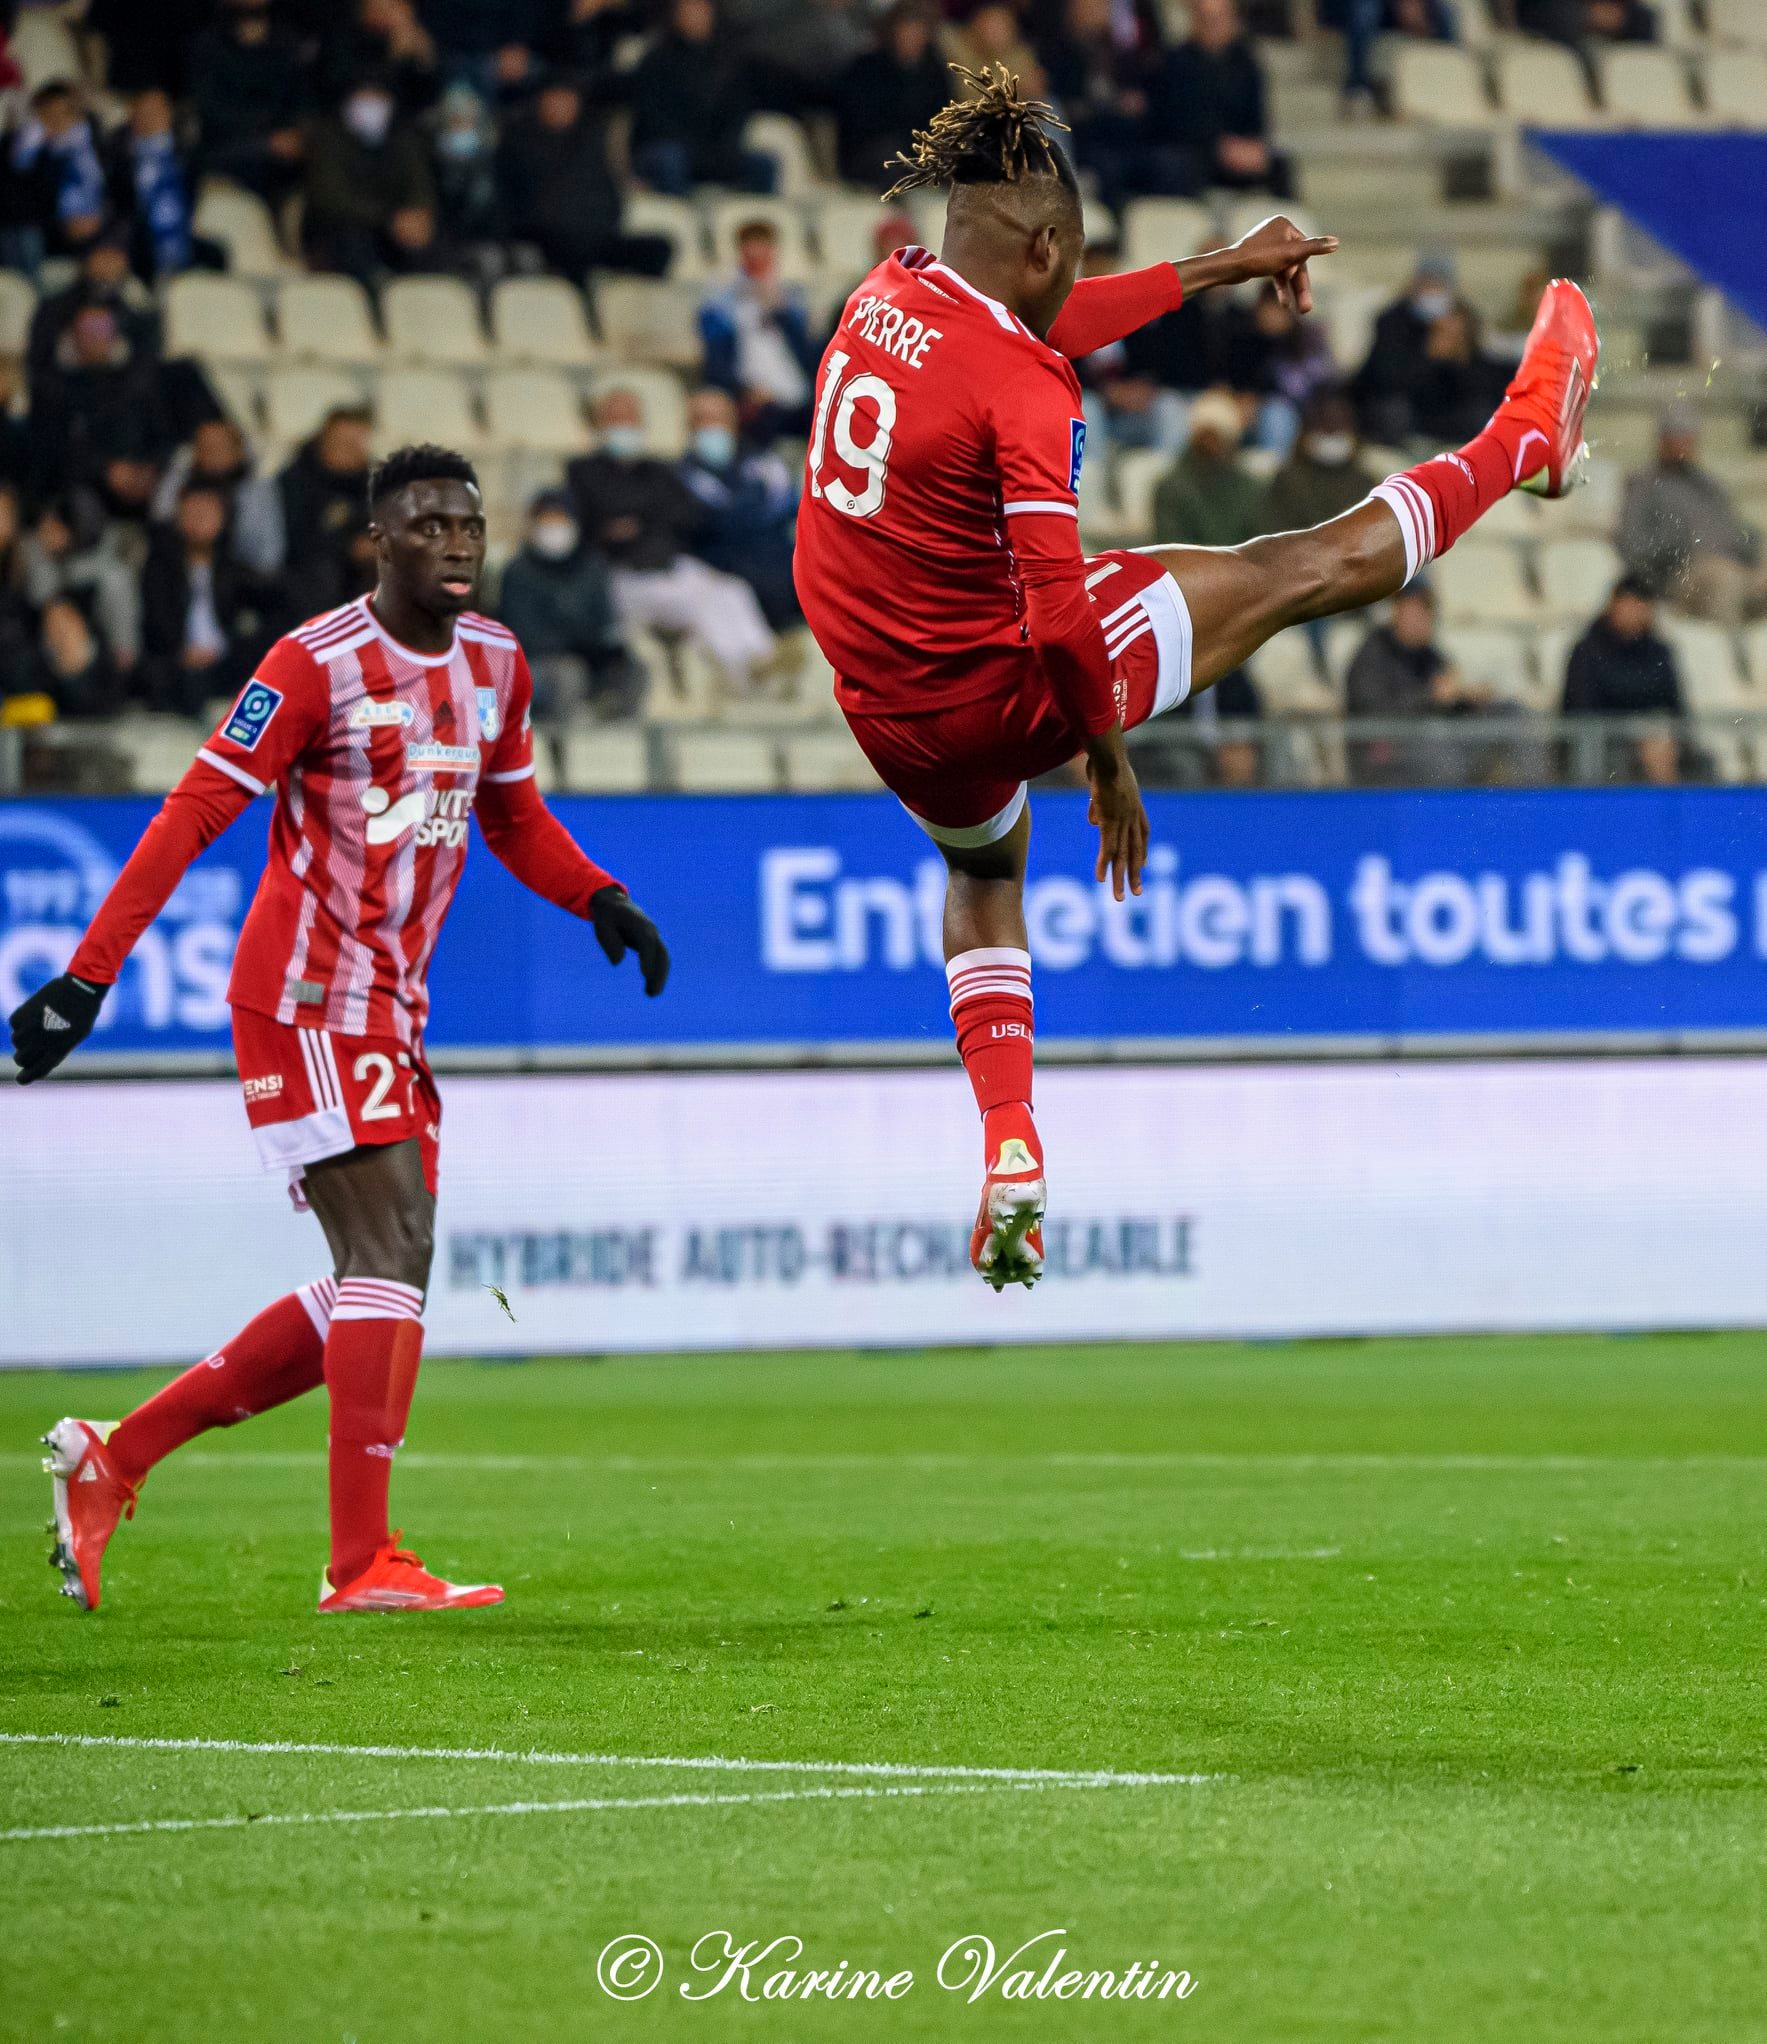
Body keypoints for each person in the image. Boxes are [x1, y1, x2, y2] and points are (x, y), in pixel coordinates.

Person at [792, 70, 1597, 1289]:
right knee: (1295, 567)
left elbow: (1040, 318)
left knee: (983, 868)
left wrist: (1220, 265)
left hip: (888, 710)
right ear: (1051, 241)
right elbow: (1060, 615)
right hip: (1007, 680)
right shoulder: (1023, 386)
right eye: (1074, 256)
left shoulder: (885, 294)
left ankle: (1010, 1134)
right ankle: (1524, 440)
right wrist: (1107, 758)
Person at [12, 443, 673, 1617]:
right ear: (380, 542)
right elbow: (194, 811)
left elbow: (513, 814)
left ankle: (114, 1456)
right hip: (307, 998)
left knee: (374, 1273)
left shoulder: (497, 663)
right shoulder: (313, 664)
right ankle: (361, 1562)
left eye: (469, 523)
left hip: (393, 1005)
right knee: (396, 1249)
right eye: (427, 525)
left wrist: (599, 895)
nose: (456, 542)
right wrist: (86, 977)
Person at [567, 387, 778, 688]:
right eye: (616, 418)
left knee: (732, 590)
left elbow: (683, 516)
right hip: (622, 576)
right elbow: (595, 527)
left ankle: (764, 658)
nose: (624, 425)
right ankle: (742, 677)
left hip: (669, 564)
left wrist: (635, 522)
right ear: (599, 424)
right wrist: (642, 520)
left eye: (630, 417)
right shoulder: (583, 473)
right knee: (699, 604)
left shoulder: (658, 471)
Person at [496, 74, 670, 282]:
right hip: (545, 237)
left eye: (569, 99)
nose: (563, 106)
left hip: (593, 235)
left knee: (658, 248)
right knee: (570, 249)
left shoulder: (590, 142)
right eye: (556, 99)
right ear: (541, 100)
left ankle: (631, 307)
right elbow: (515, 204)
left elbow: (607, 196)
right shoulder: (518, 142)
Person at [496, 487, 641, 718]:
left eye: (561, 521)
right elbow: (523, 635)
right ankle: (565, 745)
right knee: (568, 675)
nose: (555, 530)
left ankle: (618, 735)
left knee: (633, 670)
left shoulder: (593, 567)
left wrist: (602, 650)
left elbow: (605, 622)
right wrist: (572, 646)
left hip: (587, 658)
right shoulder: (518, 572)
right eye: (547, 522)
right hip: (539, 664)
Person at [1617, 403, 1767, 625]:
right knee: (1724, 580)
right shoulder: (1644, 486)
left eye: (1687, 437)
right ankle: (1730, 653)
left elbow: (1733, 528)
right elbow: (1633, 547)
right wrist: (1674, 548)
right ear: (1662, 441)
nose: (1682, 445)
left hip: (1732, 565)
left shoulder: (1708, 485)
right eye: (1675, 437)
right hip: (1682, 577)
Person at [138, 482, 276, 716]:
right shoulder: (159, 569)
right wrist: (181, 653)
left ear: (222, 519)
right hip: (179, 664)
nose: (199, 520)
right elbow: (155, 622)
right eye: (192, 512)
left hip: (227, 662)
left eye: (207, 513)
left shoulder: (234, 569)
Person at [678, 385, 800, 627]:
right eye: (702, 420)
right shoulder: (680, 477)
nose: (711, 427)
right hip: (728, 573)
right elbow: (717, 524)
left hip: (782, 562)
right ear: (690, 428)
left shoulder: (765, 464)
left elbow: (790, 505)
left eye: (718, 418)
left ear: (733, 422)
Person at [300, 78, 440, 281]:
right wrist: (388, 218)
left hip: (394, 234)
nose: (372, 105)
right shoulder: (327, 140)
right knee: (351, 242)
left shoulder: (403, 140)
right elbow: (331, 200)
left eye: (377, 98)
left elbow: (420, 187)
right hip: (344, 231)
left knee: (430, 248)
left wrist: (418, 215)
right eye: (364, 97)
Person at [1144, 0, 1287, 198]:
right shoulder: (1175, 63)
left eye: (1219, 19)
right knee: (1179, 165)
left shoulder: (1246, 63)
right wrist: (1218, 146)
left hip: (1236, 149)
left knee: (1278, 164)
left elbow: (1256, 117)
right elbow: (1173, 121)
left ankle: (1283, 227)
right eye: (1206, 19)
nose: (1213, 26)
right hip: (1197, 150)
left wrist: (1252, 145)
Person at [697, 218, 821, 442]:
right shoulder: (721, 301)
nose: (757, 259)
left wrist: (781, 311)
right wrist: (745, 391)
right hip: (756, 400)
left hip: (801, 399)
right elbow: (716, 362)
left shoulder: (792, 298)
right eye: (751, 252)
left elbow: (811, 356)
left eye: (764, 251)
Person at [628, 0, 768, 197]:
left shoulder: (730, 61)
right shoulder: (656, 60)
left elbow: (739, 113)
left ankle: (753, 221)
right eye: (687, 9)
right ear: (674, 15)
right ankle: (677, 221)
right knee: (672, 160)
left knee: (763, 163)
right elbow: (653, 120)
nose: (694, 15)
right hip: (666, 147)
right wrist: (696, 151)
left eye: (700, 9)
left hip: (713, 150)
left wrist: (722, 149)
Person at [1561, 575, 1683, 785]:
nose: (1634, 612)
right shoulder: (1588, 650)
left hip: (1649, 737)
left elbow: (1675, 704)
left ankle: (1666, 807)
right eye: (1628, 604)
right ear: (1613, 606)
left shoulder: (1659, 651)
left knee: (1660, 743)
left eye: (1640, 605)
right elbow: (1582, 706)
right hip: (1602, 741)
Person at [189, 0, 311, 204]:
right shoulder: (207, 44)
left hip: (282, 153)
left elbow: (301, 103)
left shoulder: (287, 43)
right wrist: (267, 140)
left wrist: (294, 134)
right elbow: (210, 112)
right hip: (226, 150)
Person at [833, 3, 951, 188]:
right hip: (871, 153)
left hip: (919, 151)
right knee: (890, 153)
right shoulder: (867, 67)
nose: (912, 37)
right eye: (906, 30)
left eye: (918, 31)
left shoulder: (934, 71)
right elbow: (859, 124)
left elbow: (942, 118)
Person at [1151, 388, 1265, 546]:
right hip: (1191, 569)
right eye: (1208, 435)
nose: (1213, 444)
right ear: (1197, 436)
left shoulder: (1249, 487)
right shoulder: (1171, 488)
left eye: (1220, 435)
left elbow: (1259, 543)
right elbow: (1171, 549)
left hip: (1240, 568)